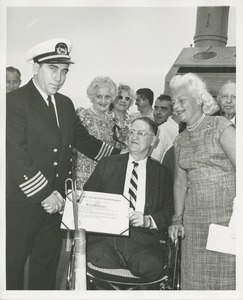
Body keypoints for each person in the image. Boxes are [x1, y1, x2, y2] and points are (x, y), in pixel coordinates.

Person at [6, 38, 120, 290]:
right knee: (11, 269)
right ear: (36, 68)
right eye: (52, 69)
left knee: (45, 269)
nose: (59, 78)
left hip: (57, 202)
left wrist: (127, 154)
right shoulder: (14, 102)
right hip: (25, 202)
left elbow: (86, 142)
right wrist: (45, 194)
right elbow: (14, 154)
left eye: (64, 71)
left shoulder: (65, 104)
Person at [168, 73, 236, 290]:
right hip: (194, 225)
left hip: (227, 219)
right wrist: (177, 220)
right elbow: (180, 182)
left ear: (199, 99)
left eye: (181, 100)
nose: (176, 107)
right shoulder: (179, 140)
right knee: (194, 282)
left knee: (227, 279)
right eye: (173, 103)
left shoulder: (220, 126)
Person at [85, 117, 173, 281]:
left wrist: (148, 220)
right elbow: (87, 197)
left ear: (153, 141)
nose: (134, 137)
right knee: (95, 256)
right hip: (108, 238)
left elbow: (169, 212)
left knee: (151, 265)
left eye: (141, 133)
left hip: (144, 241)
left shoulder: (162, 173)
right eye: (132, 132)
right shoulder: (108, 164)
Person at [72, 76, 118, 189]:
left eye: (107, 97)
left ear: (112, 98)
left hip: (105, 178)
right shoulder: (82, 115)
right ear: (92, 97)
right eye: (99, 96)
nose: (103, 101)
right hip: (83, 178)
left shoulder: (113, 121)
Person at [151, 94, 179, 163]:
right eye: (156, 108)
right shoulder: (161, 130)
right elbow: (154, 161)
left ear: (173, 111)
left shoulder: (165, 129)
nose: (158, 112)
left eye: (163, 109)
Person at [109, 83, 135, 149]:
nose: (123, 101)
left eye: (127, 98)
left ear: (130, 102)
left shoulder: (134, 121)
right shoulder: (105, 118)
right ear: (113, 99)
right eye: (120, 97)